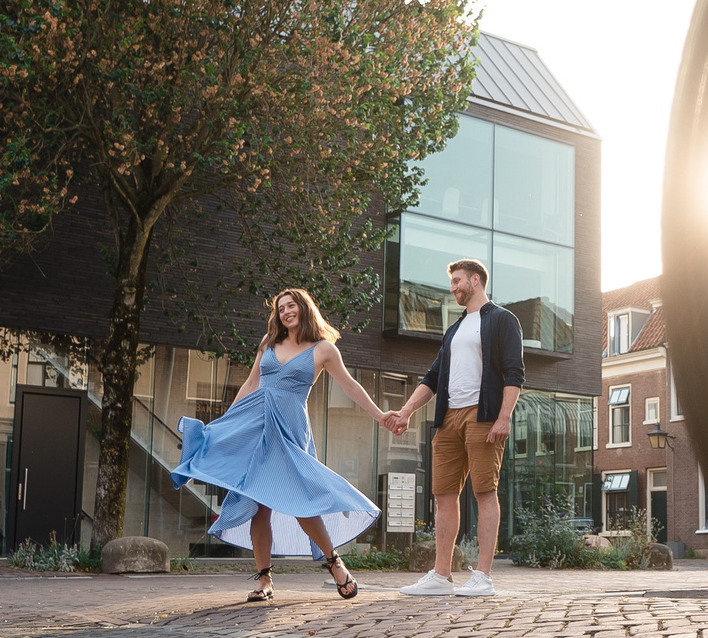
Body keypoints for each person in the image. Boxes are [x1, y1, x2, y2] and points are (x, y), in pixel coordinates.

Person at [170, 288, 407, 602]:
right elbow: (251, 383)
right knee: (258, 506)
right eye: (280, 308)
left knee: (302, 504)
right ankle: (264, 580)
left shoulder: (323, 349)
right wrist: (226, 423)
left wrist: (379, 415)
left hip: (290, 428)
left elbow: (349, 386)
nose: (285, 312)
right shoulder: (269, 342)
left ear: (304, 308)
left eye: (291, 305)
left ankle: (334, 562)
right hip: (257, 425)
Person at [391, 258, 525, 597]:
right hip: (448, 418)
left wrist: (504, 417)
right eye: (452, 282)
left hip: (483, 416)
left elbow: (514, 372)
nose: (452, 288)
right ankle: (441, 574)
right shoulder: (454, 329)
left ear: (475, 280)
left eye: (457, 281)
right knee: (443, 495)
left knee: (484, 492)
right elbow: (433, 377)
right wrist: (406, 411)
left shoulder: (502, 320)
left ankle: (483, 576)